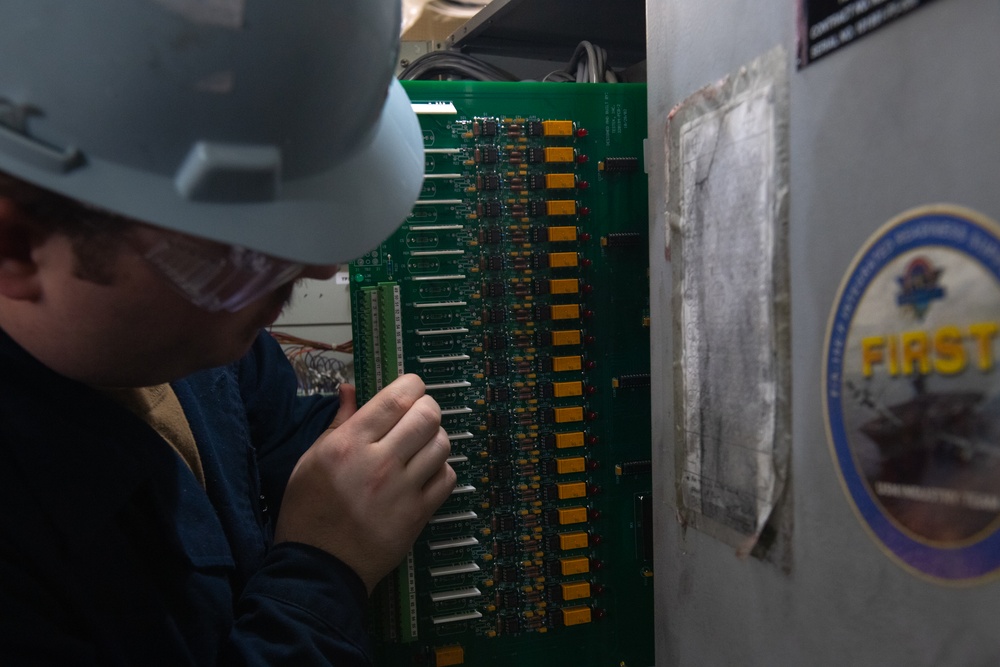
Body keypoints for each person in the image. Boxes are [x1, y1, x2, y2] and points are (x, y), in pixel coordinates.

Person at [0, 0, 455, 664]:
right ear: (17, 246)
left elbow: (288, 432)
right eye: (243, 248)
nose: (320, 265)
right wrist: (322, 571)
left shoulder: (187, 327)